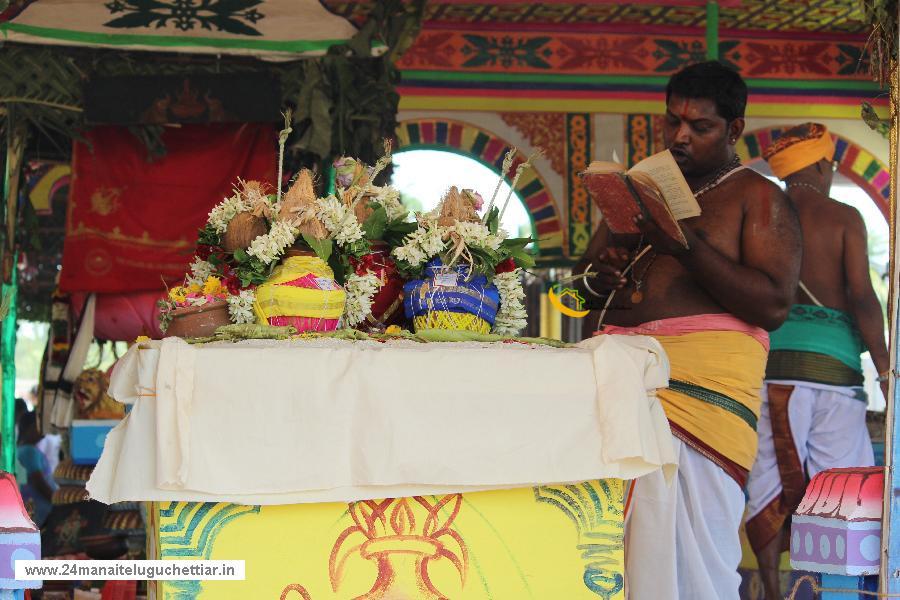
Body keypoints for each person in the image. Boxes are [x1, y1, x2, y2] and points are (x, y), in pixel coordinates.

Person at [573, 61, 801, 599]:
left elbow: (773, 304)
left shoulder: (757, 197)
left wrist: (686, 247)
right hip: (617, 379)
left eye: (700, 127)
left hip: (702, 402)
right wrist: (596, 278)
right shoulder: (636, 192)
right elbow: (574, 296)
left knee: (689, 564)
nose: (680, 137)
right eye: (672, 121)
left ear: (734, 129)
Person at [745, 123, 886, 600]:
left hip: (772, 366)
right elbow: (863, 298)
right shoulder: (843, 217)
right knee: (841, 483)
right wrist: (886, 368)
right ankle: (835, 589)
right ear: (822, 165)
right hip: (834, 373)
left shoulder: (762, 216)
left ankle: (768, 587)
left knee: (765, 478)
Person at [17, 410, 58, 527]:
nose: (43, 429)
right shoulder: (29, 451)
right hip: (41, 512)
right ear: (31, 427)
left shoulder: (20, 449)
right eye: (40, 425)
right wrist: (57, 501)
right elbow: (38, 482)